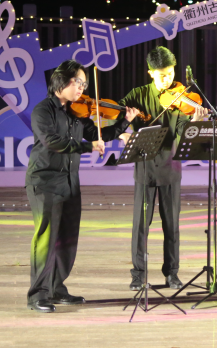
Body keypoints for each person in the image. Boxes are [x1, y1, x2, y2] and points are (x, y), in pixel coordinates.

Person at [26, 60, 139, 312]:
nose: (81, 88)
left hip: (70, 181)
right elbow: (53, 142)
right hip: (45, 181)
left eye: (84, 84)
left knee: (67, 238)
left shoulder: (78, 113)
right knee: (46, 238)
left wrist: (124, 122)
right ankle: (37, 294)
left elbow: (101, 135)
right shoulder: (42, 111)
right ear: (61, 81)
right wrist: (89, 147)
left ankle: (56, 288)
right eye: (77, 82)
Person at [119, 46, 208, 291]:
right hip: (144, 168)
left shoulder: (180, 97)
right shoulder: (137, 95)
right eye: (161, 75)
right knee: (140, 226)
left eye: (170, 74)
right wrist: (122, 133)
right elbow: (116, 117)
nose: (167, 80)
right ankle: (138, 275)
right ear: (150, 73)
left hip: (171, 167)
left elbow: (182, 132)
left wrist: (195, 121)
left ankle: (172, 273)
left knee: (172, 225)